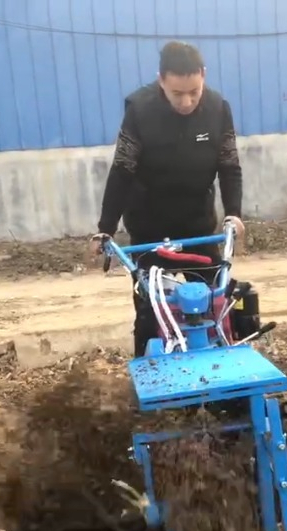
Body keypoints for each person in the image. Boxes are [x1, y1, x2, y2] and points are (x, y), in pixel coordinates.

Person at [94, 40, 244, 356]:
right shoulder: (140, 110)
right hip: (150, 228)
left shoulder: (218, 109)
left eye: (194, 92)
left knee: (216, 305)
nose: (187, 101)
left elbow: (229, 164)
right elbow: (122, 170)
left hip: (198, 225)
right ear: (161, 80)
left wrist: (233, 212)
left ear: (203, 75)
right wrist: (105, 227)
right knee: (151, 313)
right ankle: (147, 385)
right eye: (177, 94)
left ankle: (219, 382)